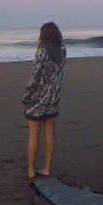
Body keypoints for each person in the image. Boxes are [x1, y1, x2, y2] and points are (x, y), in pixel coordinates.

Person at [22, 22, 66, 178]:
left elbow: (34, 77)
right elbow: (59, 76)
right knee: (50, 134)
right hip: (54, 98)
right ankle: (47, 168)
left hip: (38, 98)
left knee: (34, 134)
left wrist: (26, 97)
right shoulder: (62, 50)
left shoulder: (41, 52)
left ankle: (31, 170)